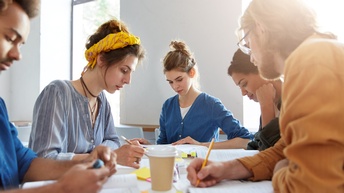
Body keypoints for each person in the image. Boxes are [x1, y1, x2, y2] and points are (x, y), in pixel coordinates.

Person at [186, 0, 344, 192]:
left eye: (247, 44)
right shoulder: (316, 54)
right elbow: (281, 150)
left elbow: (311, 185)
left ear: (260, 29)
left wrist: (280, 169)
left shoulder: (311, 59)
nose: (251, 57)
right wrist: (224, 169)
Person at [0, 1, 117, 192]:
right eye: (9, 38)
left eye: (20, 44)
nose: (17, 55)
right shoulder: (58, 92)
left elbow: (26, 164)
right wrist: (62, 188)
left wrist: (88, 161)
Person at [28, 19, 146, 169]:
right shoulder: (57, 93)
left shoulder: (102, 101)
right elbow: (43, 159)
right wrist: (104, 157)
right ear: (101, 59)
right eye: (124, 70)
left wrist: (112, 152)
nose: (128, 80)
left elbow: (113, 140)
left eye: (131, 73)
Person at [134, 40, 252, 149]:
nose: (175, 86)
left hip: (203, 169)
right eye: (170, 82)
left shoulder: (211, 105)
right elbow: (164, 146)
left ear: (192, 72)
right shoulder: (168, 106)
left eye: (179, 79)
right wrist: (148, 146)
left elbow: (245, 140)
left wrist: (201, 145)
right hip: (175, 170)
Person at [228, 49, 281, 150]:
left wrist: (266, 107)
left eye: (244, 84)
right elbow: (255, 145)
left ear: (262, 71)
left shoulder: (292, 103)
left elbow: (268, 154)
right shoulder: (272, 102)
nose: (243, 93)